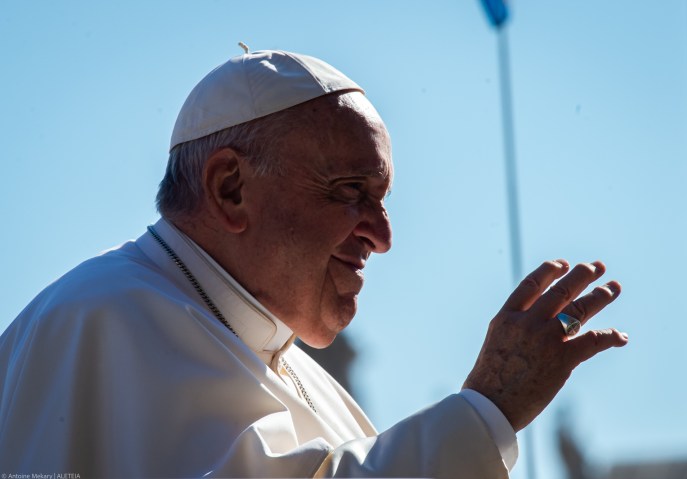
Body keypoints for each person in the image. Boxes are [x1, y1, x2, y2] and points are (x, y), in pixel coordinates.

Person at [0, 49, 628, 478]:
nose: (381, 237)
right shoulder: (103, 317)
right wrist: (487, 409)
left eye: (381, 201)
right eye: (350, 192)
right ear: (230, 189)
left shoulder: (313, 381)